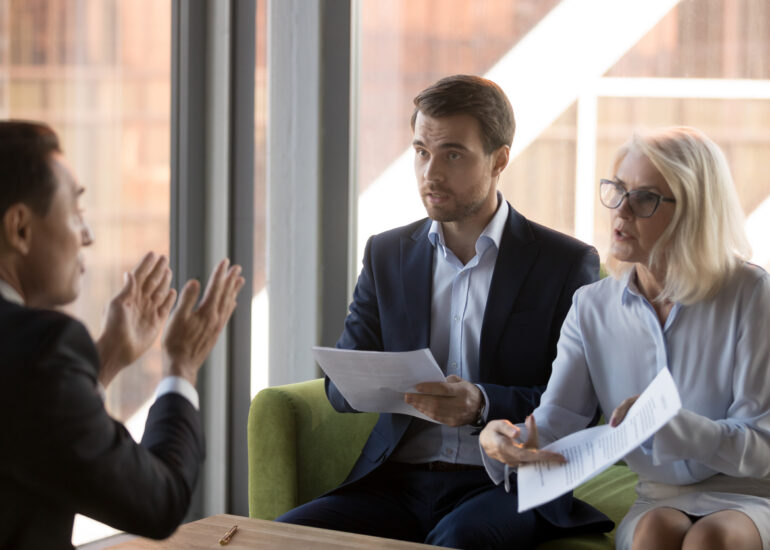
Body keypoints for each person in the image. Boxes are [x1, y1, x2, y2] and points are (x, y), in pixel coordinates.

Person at [278, 75, 612, 549]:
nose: (430, 172)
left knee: (458, 540)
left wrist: (482, 402)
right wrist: (365, 383)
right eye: (421, 151)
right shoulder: (386, 254)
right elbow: (339, 386)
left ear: (500, 159)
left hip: (506, 484)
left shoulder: (564, 263)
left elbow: (581, 406)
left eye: (452, 154)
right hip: (395, 481)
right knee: (280, 539)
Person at [480, 126, 770, 550]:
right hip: (658, 497)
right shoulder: (591, 306)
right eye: (618, 190)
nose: (622, 210)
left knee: (715, 537)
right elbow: (558, 419)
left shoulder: (751, 293)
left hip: (747, 493)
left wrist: (674, 427)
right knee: (656, 532)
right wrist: (504, 439)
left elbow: (760, 446)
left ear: (695, 210)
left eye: (645, 198)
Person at [0, 120, 245, 550]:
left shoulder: (32, 360)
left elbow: (28, 429)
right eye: (75, 214)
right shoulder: (43, 350)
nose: (87, 236)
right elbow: (157, 502)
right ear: (20, 228)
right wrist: (181, 367)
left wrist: (107, 358)